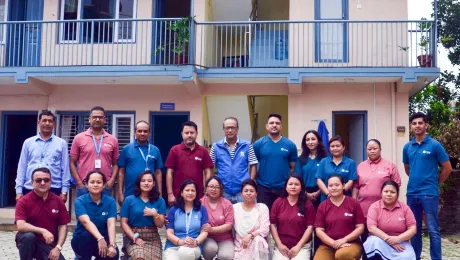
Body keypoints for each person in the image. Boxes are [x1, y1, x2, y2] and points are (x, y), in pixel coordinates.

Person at [403, 112, 452, 260]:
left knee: (433, 230)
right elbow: (407, 168)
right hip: (412, 193)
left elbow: (448, 168)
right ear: (411, 126)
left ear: (426, 125)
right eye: (414, 123)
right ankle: (415, 257)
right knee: (414, 230)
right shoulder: (407, 147)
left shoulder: (435, 145)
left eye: (420, 123)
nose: (417, 126)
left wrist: (435, 183)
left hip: (429, 194)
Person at [15, 110, 70, 202]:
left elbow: (65, 168)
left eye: (50, 121)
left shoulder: (61, 143)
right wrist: (19, 190)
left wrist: (64, 191)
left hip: (54, 188)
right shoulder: (28, 142)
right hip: (30, 187)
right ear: (39, 122)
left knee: (53, 216)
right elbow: (22, 167)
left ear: (54, 124)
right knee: (30, 216)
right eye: (44, 120)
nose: (47, 123)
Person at [15, 167, 70, 260]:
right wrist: (43, 231)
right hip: (28, 241)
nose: (43, 183)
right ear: (32, 182)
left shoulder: (58, 200)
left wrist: (58, 248)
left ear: (50, 182)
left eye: (46, 180)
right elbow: (20, 225)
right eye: (38, 180)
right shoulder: (23, 201)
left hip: (47, 243)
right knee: (28, 237)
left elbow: (63, 226)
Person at [352, 139, 401, 243]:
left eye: (375, 148)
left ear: (380, 150)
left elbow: (396, 186)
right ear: (366, 150)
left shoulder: (389, 165)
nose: (372, 151)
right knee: (365, 240)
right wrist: (353, 202)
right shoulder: (360, 166)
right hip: (364, 209)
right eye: (369, 149)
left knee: (382, 239)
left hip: (384, 209)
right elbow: (356, 186)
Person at [70, 106, 120, 197]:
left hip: (105, 186)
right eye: (94, 117)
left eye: (100, 117)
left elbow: (116, 163)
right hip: (84, 186)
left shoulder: (113, 140)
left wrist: (112, 180)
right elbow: (72, 162)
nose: (97, 119)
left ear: (104, 119)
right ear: (89, 119)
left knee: (104, 211)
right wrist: (79, 183)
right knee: (83, 211)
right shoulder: (79, 138)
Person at [314, 174, 365, 260]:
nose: (334, 188)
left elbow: (360, 227)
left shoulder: (353, 203)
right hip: (328, 245)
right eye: (330, 185)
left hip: (350, 243)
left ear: (343, 186)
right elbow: (319, 230)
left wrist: (344, 240)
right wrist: (333, 243)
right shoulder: (323, 206)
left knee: (343, 254)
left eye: (337, 185)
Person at [253, 114, 298, 209]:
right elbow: (253, 165)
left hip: (283, 188)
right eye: (271, 123)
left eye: (277, 123)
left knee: (282, 216)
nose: (274, 125)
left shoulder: (290, 145)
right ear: (267, 126)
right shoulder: (258, 144)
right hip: (263, 187)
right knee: (264, 217)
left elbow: (293, 167)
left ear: (281, 126)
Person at [71, 170, 119, 260]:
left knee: (113, 254)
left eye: (99, 182)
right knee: (86, 236)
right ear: (87, 185)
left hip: (103, 238)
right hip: (82, 240)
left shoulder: (110, 201)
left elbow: (111, 224)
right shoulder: (80, 201)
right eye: (92, 182)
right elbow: (86, 222)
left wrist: (112, 245)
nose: (95, 185)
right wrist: (100, 238)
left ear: (104, 185)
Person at [209, 116, 258, 203]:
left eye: (233, 128)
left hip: (242, 191)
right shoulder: (216, 146)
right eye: (227, 128)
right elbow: (210, 167)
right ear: (223, 129)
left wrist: (250, 183)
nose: (230, 130)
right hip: (223, 191)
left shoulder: (247, 145)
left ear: (237, 129)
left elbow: (253, 164)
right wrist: (212, 185)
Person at [364, 181, 416, 260]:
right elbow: (371, 228)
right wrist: (390, 241)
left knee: (407, 256)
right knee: (373, 242)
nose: (389, 194)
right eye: (386, 191)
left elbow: (413, 229)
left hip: (400, 242)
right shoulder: (374, 207)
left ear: (397, 194)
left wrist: (398, 239)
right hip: (380, 239)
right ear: (381, 193)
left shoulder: (405, 208)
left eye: (392, 192)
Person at [120, 170, 166, 260]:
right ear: (139, 183)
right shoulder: (129, 200)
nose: (146, 183)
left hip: (153, 237)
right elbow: (123, 223)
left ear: (153, 184)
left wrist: (155, 214)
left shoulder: (160, 201)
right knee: (139, 257)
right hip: (133, 235)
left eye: (149, 181)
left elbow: (160, 225)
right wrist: (135, 238)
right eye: (143, 181)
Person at [165, 121, 213, 205]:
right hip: (179, 195)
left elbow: (207, 172)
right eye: (186, 133)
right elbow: (169, 173)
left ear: (196, 134)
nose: (189, 135)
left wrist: (207, 191)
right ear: (182, 134)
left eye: (192, 133)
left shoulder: (203, 150)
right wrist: (170, 194)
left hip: (199, 196)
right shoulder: (175, 150)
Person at [270, 174, 316, 260]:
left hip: (302, 246)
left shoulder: (307, 204)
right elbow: (273, 225)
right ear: (286, 187)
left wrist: (298, 246)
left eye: (296, 184)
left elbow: (310, 227)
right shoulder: (278, 202)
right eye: (290, 184)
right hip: (282, 246)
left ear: (301, 188)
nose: (293, 187)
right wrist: (280, 245)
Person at [118, 120, 163, 205]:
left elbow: (158, 172)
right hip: (130, 192)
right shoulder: (126, 149)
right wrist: (120, 192)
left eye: (145, 131)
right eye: (140, 131)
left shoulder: (155, 150)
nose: (142, 133)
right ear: (135, 132)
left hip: (150, 193)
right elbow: (121, 171)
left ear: (149, 133)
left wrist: (160, 192)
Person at [164, 179, 209, 260]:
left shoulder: (202, 209)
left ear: (196, 193)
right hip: (174, 245)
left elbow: (204, 232)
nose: (190, 193)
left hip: (194, 245)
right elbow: (169, 233)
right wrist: (181, 242)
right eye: (187, 190)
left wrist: (196, 242)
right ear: (181, 192)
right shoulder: (174, 209)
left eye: (193, 190)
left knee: (184, 252)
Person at [233, 179, 270, 260]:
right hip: (240, 245)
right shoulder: (234, 208)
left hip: (257, 245)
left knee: (258, 240)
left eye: (251, 191)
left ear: (256, 193)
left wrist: (250, 235)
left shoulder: (262, 208)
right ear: (241, 194)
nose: (248, 193)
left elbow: (265, 229)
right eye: (246, 191)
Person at [201, 177, 235, 260]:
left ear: (221, 190)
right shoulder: (200, 202)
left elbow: (229, 225)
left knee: (226, 256)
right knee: (209, 249)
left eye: (217, 187)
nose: (214, 189)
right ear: (206, 188)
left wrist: (212, 229)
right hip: (207, 237)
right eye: (211, 186)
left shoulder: (226, 203)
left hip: (225, 238)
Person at [316, 135, 357, 202]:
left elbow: (351, 181)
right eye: (332, 146)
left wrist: (339, 193)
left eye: (338, 146)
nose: (335, 148)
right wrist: (329, 193)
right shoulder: (323, 161)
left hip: (344, 198)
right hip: (326, 198)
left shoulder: (351, 163)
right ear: (329, 148)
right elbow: (319, 180)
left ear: (343, 147)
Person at [295, 130, 328, 209]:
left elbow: (327, 177)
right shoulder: (300, 159)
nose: (310, 142)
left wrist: (319, 192)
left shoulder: (325, 159)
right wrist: (306, 194)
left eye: (313, 139)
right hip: (304, 192)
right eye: (307, 139)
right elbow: (297, 178)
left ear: (318, 141)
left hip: (322, 192)